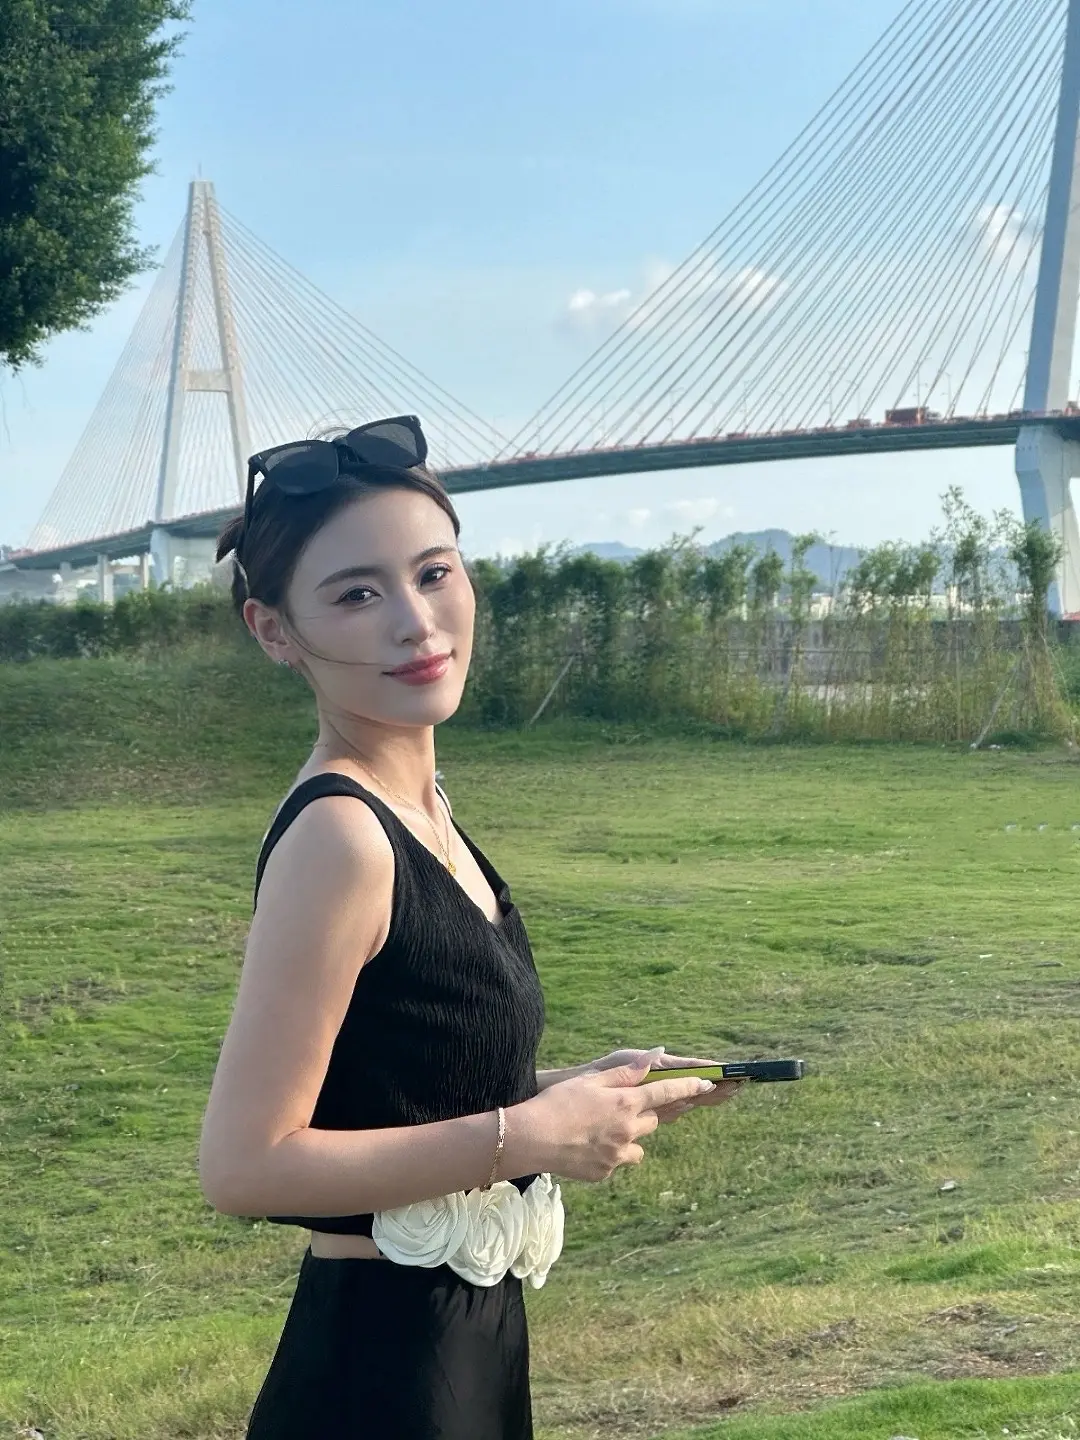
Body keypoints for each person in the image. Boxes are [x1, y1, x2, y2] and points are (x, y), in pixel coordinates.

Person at [198, 415, 743, 1439]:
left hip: (466, 1346)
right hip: (382, 1372)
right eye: (357, 594)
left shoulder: (424, 813)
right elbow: (244, 1165)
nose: (418, 621)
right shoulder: (342, 838)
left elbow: (393, 1089)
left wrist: (575, 1093)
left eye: (434, 573)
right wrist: (527, 1136)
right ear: (274, 632)